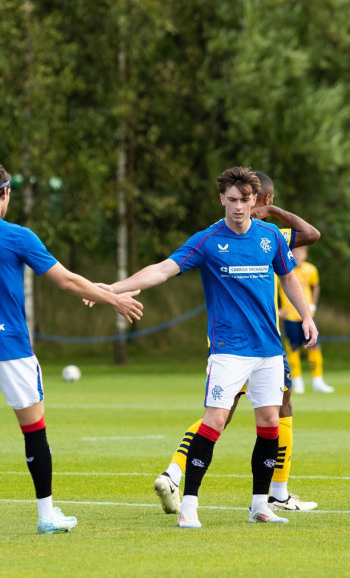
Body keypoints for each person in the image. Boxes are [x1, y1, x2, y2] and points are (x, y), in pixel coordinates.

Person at [102, 166, 318, 528]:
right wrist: (113, 288)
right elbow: (162, 270)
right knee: (215, 422)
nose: (238, 207)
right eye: (232, 200)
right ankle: (189, 505)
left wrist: (306, 315)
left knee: (269, 424)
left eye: (245, 200)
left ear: (256, 202)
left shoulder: (270, 237)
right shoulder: (207, 240)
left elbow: (289, 276)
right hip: (229, 350)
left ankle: (259, 505)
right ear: (222, 199)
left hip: (269, 349)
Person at [0, 160, 143, 538]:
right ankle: (46, 515)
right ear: (4, 193)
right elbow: (65, 280)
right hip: (11, 347)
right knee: (33, 428)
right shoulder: (16, 235)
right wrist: (112, 298)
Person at [278, 245, 334, 394]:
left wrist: (313, 305)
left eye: (300, 252)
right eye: (294, 252)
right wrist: (277, 309)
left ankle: (318, 380)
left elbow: (315, 287)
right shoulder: (283, 269)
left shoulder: (311, 270)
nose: (297, 255)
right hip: (290, 316)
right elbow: (273, 289)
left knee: (315, 347)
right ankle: (297, 381)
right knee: (293, 348)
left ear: (305, 254)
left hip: (307, 317)